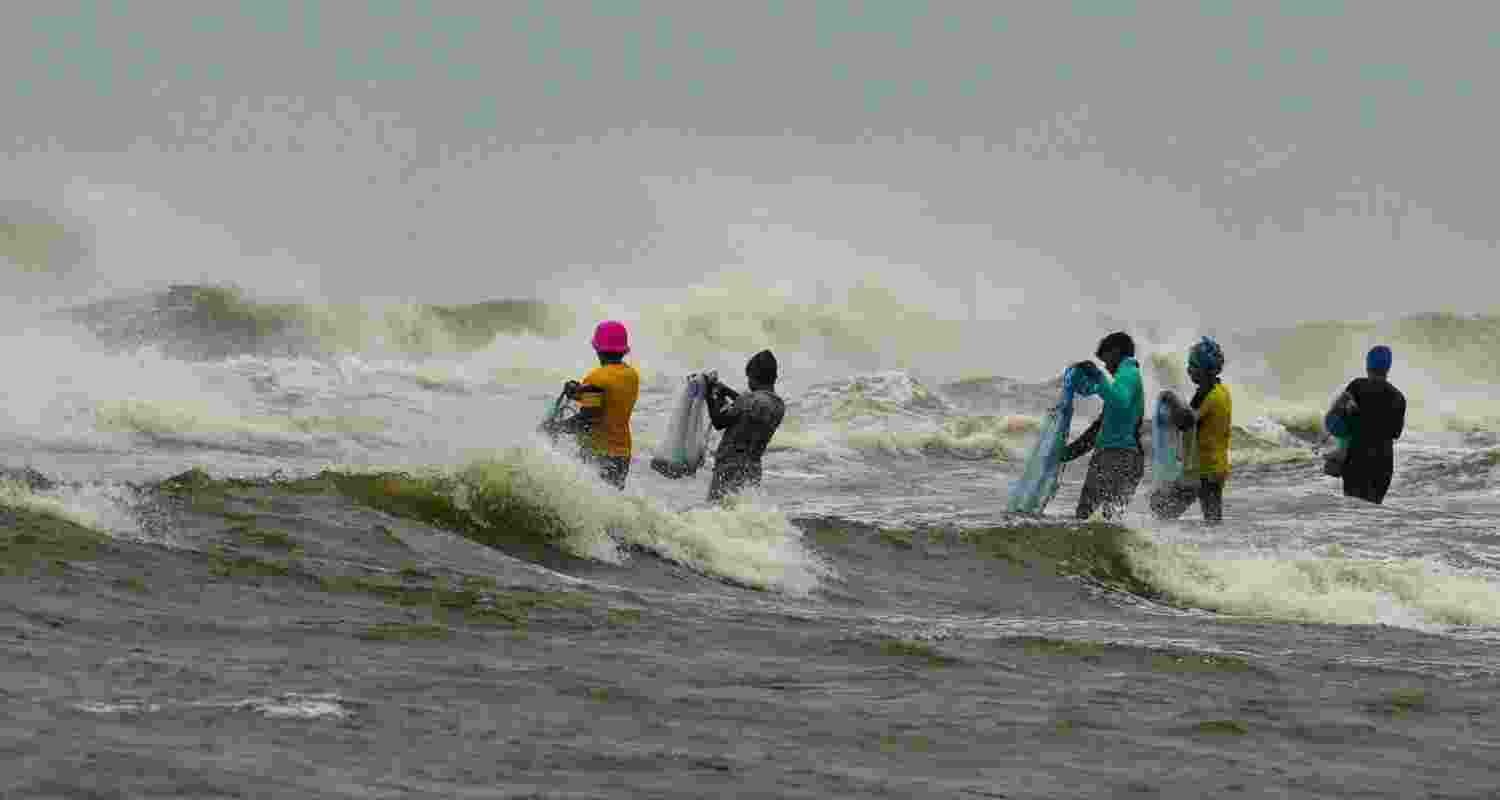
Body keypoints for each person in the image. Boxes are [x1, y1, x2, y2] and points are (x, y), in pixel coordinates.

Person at [1061, 332, 1146, 521]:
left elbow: (1118, 401)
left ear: (1115, 352)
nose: (1106, 367)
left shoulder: (1128, 373)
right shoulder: (1127, 379)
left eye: (1106, 360)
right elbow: (1099, 428)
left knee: (1085, 516)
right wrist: (1067, 454)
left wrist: (1098, 375)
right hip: (1129, 458)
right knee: (1110, 519)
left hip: (1116, 456)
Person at [1149, 337, 1232, 523]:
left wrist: (1170, 398)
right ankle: (1216, 548)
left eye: (1193, 365)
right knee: (1212, 520)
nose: (1188, 369)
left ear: (1206, 369)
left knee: (1160, 510)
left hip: (1203, 471)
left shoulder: (1211, 397)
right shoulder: (1218, 390)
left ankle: (1163, 545)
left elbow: (1186, 422)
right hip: (1214, 467)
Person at [549, 320, 640, 490]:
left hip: (600, 453)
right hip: (622, 453)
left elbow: (588, 420)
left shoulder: (597, 378)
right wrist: (578, 393)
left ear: (598, 349)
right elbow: (611, 400)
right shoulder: (630, 375)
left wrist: (556, 427)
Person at [1326, 345, 1406, 504]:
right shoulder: (1398, 397)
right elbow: (1396, 433)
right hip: (1382, 466)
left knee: (1354, 514)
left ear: (1368, 365)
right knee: (1372, 517)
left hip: (1356, 463)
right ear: (1387, 367)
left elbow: (1334, 414)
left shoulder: (1356, 386)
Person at [704, 349, 786, 504]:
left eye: (749, 378)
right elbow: (747, 407)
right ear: (774, 377)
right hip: (752, 469)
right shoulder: (778, 406)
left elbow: (718, 421)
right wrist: (726, 390)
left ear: (754, 377)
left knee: (717, 511)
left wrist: (710, 393)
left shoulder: (748, 400)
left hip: (729, 467)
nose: (748, 382)